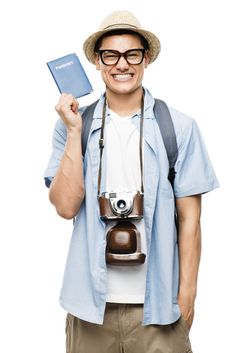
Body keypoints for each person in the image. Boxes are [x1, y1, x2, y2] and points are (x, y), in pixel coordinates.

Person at [44, 10, 219, 353]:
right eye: (110, 55)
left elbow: (191, 221)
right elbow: (65, 207)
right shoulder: (72, 127)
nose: (121, 64)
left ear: (146, 58)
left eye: (131, 54)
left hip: (159, 308)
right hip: (89, 308)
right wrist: (75, 130)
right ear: (97, 61)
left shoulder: (178, 127)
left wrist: (187, 294)